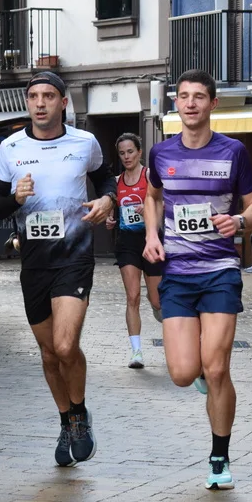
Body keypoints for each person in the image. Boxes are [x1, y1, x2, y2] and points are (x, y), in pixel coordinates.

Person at [0, 72, 116, 467]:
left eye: (48, 96)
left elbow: (105, 178)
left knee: (64, 346)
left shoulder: (84, 143)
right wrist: (15, 197)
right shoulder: (10, 148)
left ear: (63, 103)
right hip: (35, 263)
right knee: (47, 354)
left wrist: (107, 200)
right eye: (33, 96)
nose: (40, 103)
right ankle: (66, 421)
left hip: (74, 256)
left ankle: (80, 415)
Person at [143, 69, 252, 491]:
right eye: (183, 96)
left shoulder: (233, 152)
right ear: (175, 103)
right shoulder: (161, 153)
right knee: (182, 373)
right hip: (177, 273)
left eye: (199, 96)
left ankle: (219, 455)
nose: (190, 103)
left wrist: (239, 221)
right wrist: (152, 235)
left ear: (213, 103)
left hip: (219, 272)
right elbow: (152, 196)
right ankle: (198, 373)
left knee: (216, 369)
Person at [105, 133, 163, 369]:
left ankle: (157, 307)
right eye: (122, 153)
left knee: (157, 300)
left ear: (139, 152)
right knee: (132, 296)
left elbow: (162, 203)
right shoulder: (116, 181)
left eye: (130, 151)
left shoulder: (149, 176)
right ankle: (136, 352)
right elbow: (112, 212)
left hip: (151, 240)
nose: (126, 157)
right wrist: (110, 220)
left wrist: (148, 210)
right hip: (127, 242)